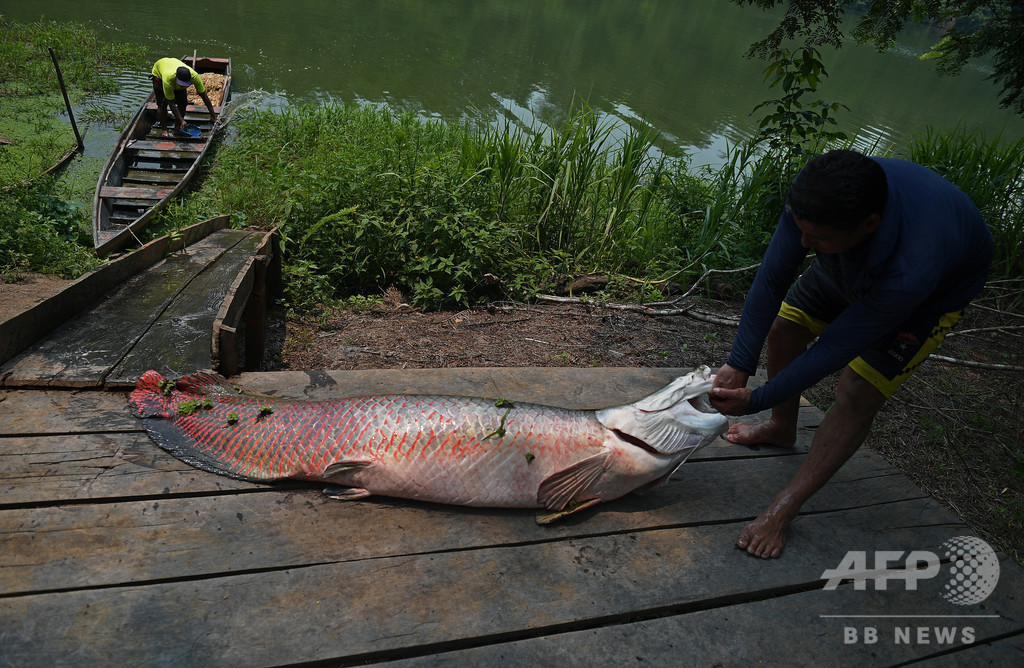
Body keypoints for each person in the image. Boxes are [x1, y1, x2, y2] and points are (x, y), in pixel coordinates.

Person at [708, 149, 992, 559]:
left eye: (815, 239)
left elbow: (834, 350)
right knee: (785, 329)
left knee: (859, 389)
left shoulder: (915, 267)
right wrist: (740, 361)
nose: (803, 243)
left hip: (932, 295)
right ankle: (781, 428)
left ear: (869, 225)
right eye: (801, 230)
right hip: (849, 255)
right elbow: (772, 280)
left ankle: (784, 509)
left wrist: (757, 397)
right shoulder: (818, 198)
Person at [150, 57, 218, 137]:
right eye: (181, 83)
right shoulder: (168, 79)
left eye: (185, 84)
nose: (183, 85)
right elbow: (171, 103)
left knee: (183, 103)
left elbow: (204, 96)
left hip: (173, 68)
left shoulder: (195, 77)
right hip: (159, 75)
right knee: (162, 104)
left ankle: (177, 129)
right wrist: (182, 120)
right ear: (176, 77)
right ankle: (164, 130)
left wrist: (213, 116)